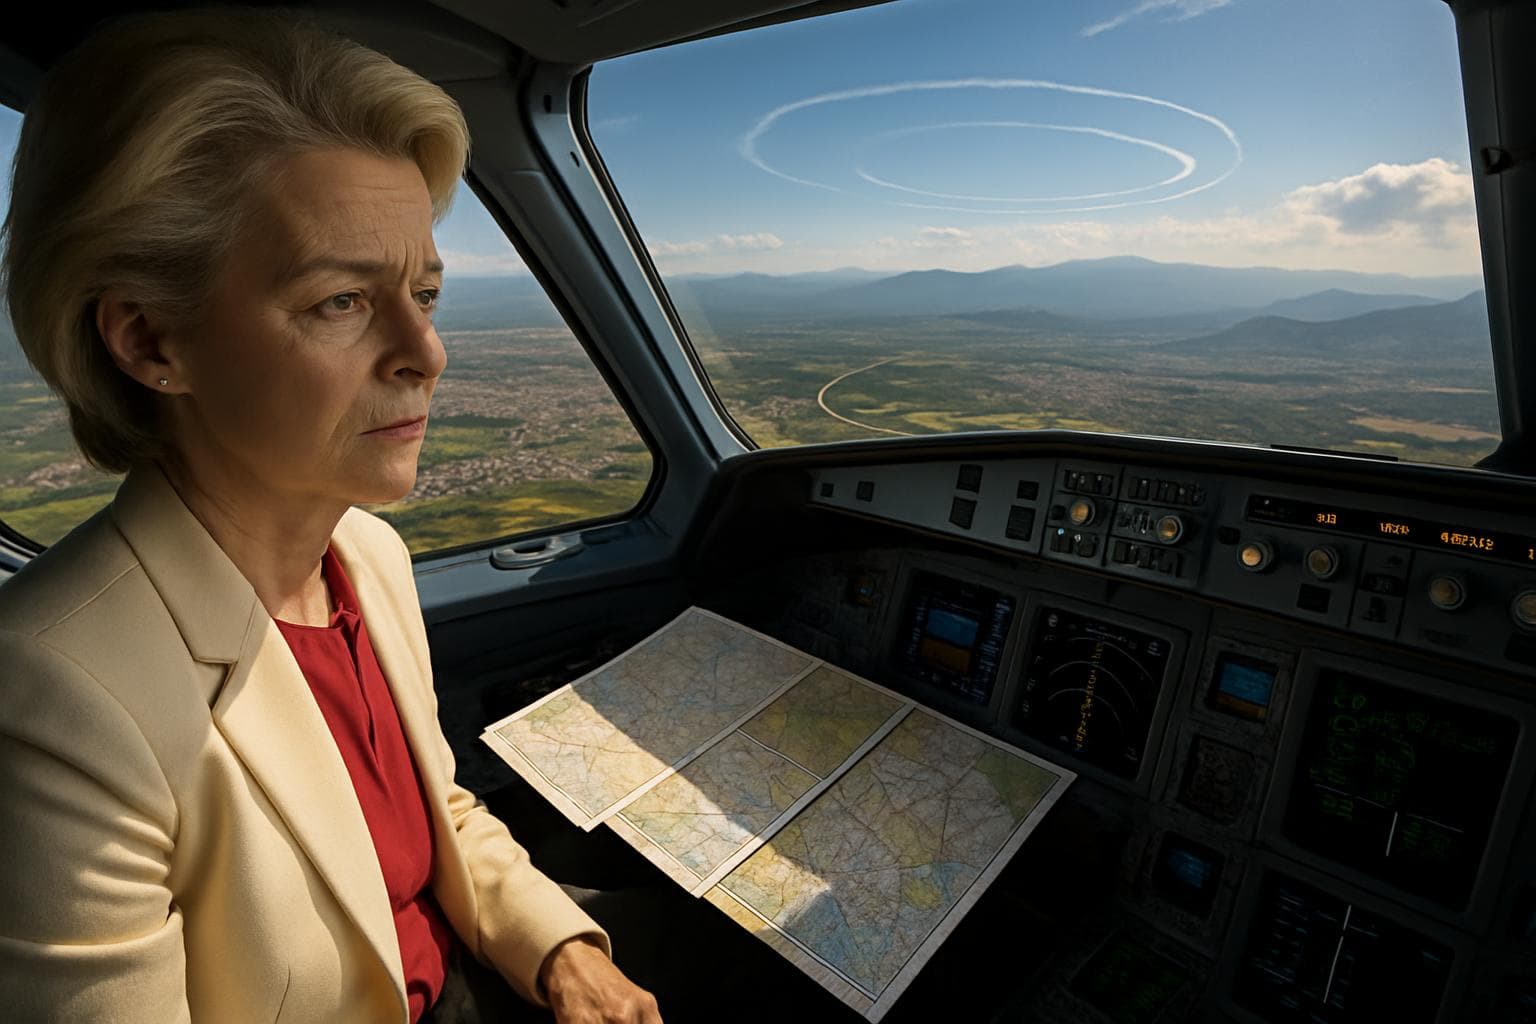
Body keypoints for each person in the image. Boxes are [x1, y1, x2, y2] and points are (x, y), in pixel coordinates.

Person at [0, 8, 663, 1022]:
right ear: (149, 341)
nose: (426, 353)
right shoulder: (54, 700)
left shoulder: (367, 554)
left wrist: (561, 953)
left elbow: (431, 812)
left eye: (424, 295)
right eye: (341, 302)